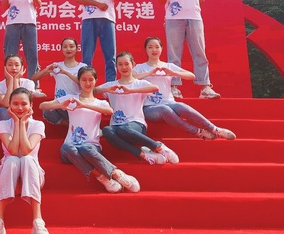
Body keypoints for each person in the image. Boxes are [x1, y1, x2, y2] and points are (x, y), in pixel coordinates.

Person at [40, 66, 140, 194]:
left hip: (91, 147)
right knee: (67, 147)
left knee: (85, 148)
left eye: (90, 79)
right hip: (70, 151)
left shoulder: (100, 103)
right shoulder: (71, 98)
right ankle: (107, 176)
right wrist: (61, 104)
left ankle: (115, 174)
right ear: (79, 81)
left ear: (96, 81)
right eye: (84, 80)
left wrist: (84, 105)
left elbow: (109, 111)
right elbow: (42, 106)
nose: (87, 83)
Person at [133, 37, 236, 140]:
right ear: (146, 50)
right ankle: (198, 132)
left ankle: (215, 129)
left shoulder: (168, 66)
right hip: (149, 107)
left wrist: (173, 73)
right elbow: (130, 77)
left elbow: (191, 76)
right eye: (150, 47)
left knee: (182, 106)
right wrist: (149, 73)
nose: (154, 50)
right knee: (165, 109)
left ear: (161, 49)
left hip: (169, 102)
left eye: (157, 47)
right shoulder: (140, 67)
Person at [156, 0, 220, 99]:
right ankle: (174, 87)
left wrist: (190, 8)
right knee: (174, 55)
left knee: (199, 52)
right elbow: (161, 1)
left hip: (194, 17)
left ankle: (205, 87)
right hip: (173, 19)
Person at [96, 52, 179, 165]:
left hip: (136, 124)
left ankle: (159, 147)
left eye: (127, 64)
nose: (124, 67)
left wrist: (130, 90)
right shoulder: (112, 85)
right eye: (120, 64)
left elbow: (155, 88)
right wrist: (106, 89)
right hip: (116, 126)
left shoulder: (139, 83)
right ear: (117, 67)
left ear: (133, 64)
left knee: (122, 128)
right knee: (106, 130)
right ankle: (144, 154)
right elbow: (93, 91)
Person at [0, 88, 48, 234]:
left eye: (24, 104)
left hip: (32, 176)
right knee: (12, 159)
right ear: (10, 106)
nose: (19, 108)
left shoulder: (38, 124)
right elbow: (13, 150)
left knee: (27, 159)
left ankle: (38, 221)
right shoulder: (3, 124)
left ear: (31, 105)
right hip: (8, 175)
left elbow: (26, 150)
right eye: (15, 104)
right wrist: (16, 122)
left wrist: (23, 123)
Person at [0, 0, 46, 96]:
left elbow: (39, 4)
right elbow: (3, 7)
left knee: (32, 56)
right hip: (12, 24)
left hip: (30, 23)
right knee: (10, 56)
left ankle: (34, 87)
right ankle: (10, 86)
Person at [31, 37, 86, 126]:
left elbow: (84, 84)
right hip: (60, 104)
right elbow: (34, 78)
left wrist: (66, 72)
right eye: (65, 47)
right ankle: (71, 126)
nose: (68, 49)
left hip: (76, 104)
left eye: (71, 46)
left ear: (77, 49)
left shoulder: (83, 67)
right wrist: (46, 70)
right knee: (47, 111)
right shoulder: (57, 66)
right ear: (61, 49)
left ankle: (74, 125)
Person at [0, 54, 36, 131]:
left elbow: (19, 101)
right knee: (4, 111)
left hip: (24, 112)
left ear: (22, 68)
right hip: (7, 114)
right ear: (5, 67)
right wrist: (11, 80)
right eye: (10, 65)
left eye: (17, 65)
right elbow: (7, 104)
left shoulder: (29, 83)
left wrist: (16, 80)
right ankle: (6, 135)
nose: (13, 68)